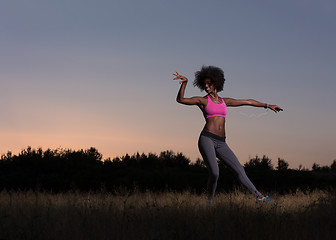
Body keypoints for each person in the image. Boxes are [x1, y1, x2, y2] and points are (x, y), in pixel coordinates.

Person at [173, 65, 282, 206]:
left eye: (209, 84)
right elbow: (181, 100)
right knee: (215, 173)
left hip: (221, 142)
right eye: (204, 84)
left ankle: (260, 197)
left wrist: (267, 105)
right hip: (207, 139)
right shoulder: (203, 100)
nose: (206, 86)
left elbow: (247, 101)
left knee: (239, 170)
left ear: (216, 83)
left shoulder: (225, 101)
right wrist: (185, 83)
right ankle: (210, 202)